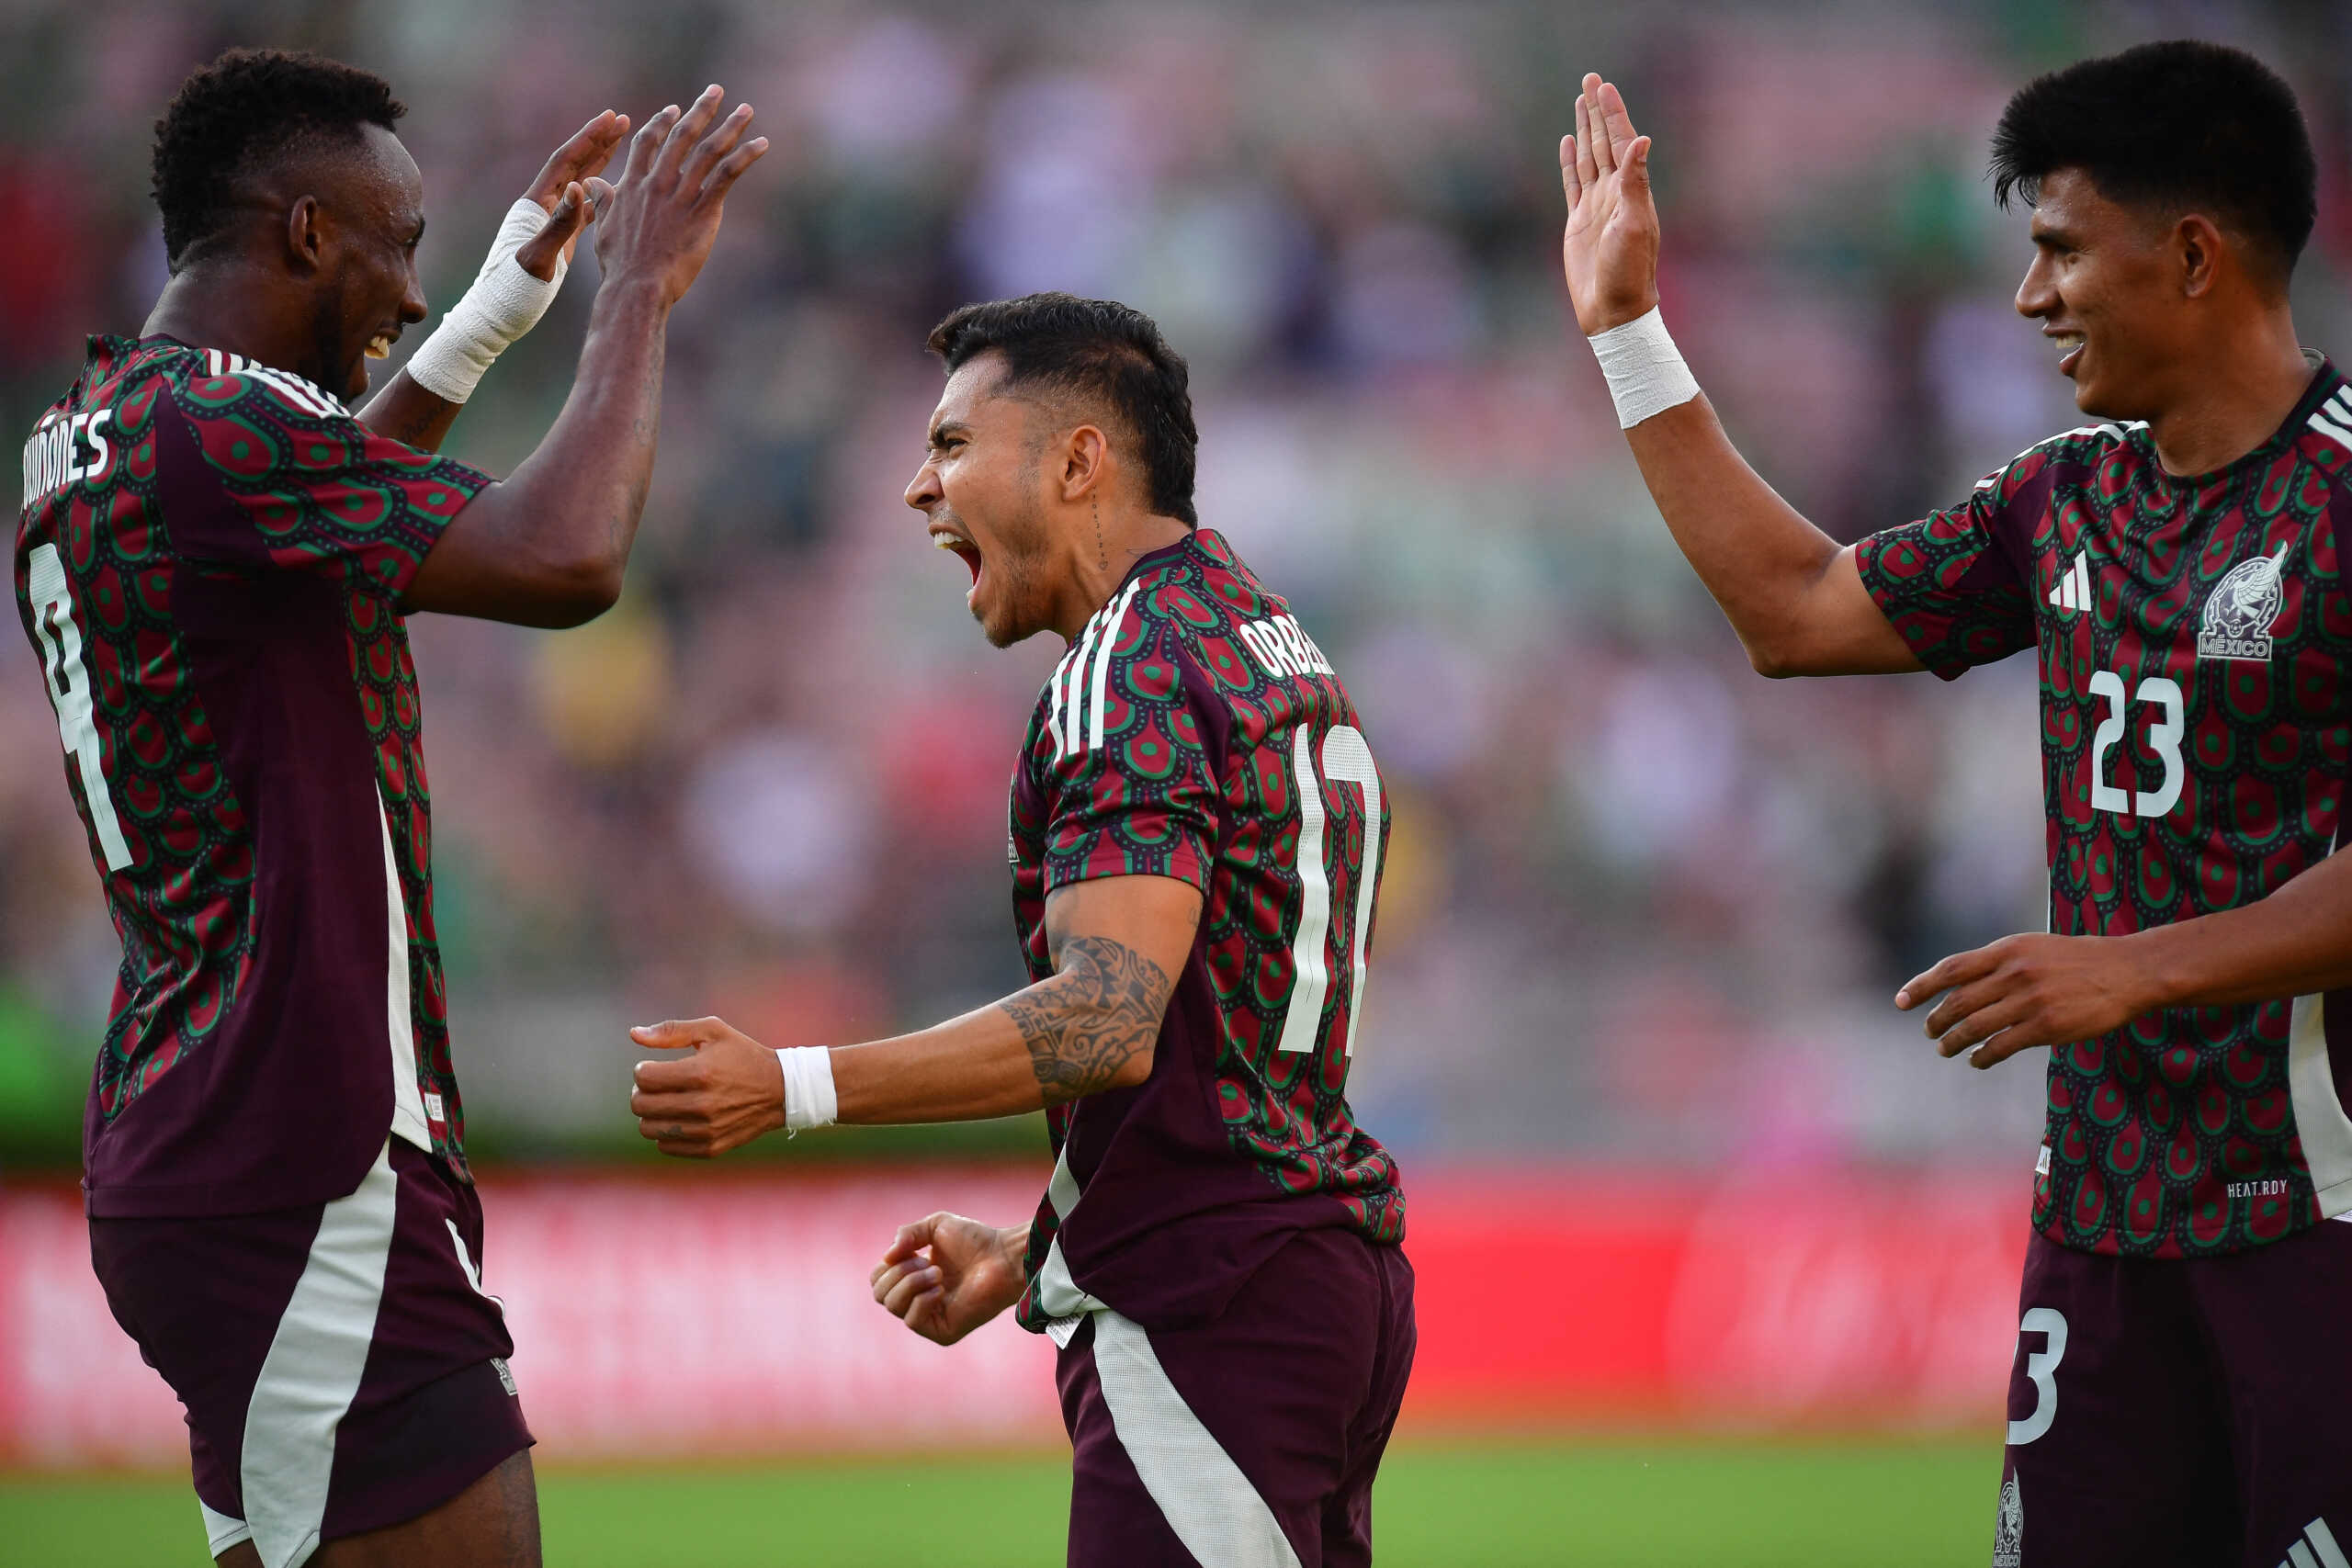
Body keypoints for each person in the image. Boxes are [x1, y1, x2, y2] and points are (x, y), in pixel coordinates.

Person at [1559, 39, 2352, 1568]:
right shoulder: (2063, 494)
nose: (2029, 297)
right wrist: (1630, 333)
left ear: (2192, 255)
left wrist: (2134, 964)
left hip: (2314, 1226)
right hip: (2104, 1237)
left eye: (2061, 247)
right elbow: (1796, 609)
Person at [12, 47, 765, 1568]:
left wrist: (494, 320)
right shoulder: (214, 436)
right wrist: (636, 294)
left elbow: (310, 511)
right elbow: (567, 563)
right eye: (400, 248)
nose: (410, 297)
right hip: (302, 1149)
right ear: (303, 235)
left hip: (215, 1135)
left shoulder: (95, 432)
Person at [627, 292, 1413, 1568]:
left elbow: (1110, 1018)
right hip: (1313, 1273)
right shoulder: (1264, 636)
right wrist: (1045, 1244)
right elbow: (1218, 1052)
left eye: (948, 445)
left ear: (1078, 459)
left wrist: (794, 1085)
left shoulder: (1128, 663)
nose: (915, 489)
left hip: (1215, 1302)